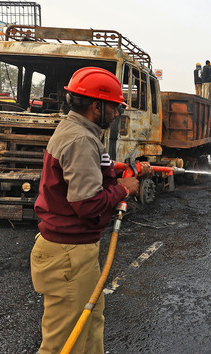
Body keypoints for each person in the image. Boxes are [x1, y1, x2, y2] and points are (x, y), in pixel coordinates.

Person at [30, 67, 152, 353]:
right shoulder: (82, 140)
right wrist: (125, 189)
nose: (117, 114)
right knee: (64, 343)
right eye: (115, 107)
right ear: (97, 105)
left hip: (75, 251)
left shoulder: (79, 130)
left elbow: (90, 175)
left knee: (90, 327)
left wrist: (125, 175)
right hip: (68, 254)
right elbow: (87, 204)